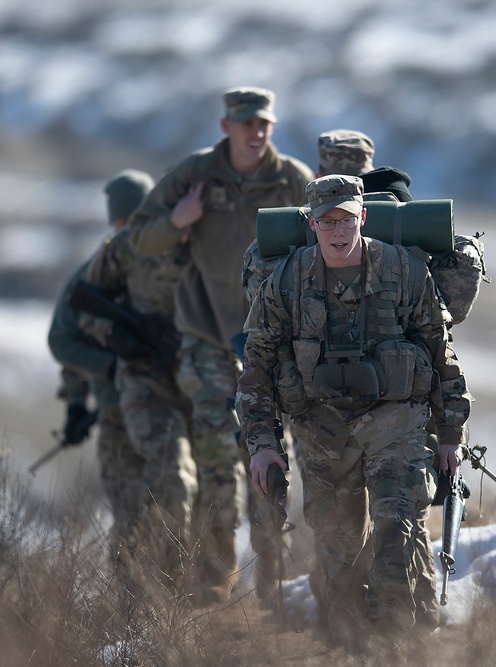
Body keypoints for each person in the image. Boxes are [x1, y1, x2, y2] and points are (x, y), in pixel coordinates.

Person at [238, 175, 471, 644]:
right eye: (327, 221)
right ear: (312, 223)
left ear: (363, 217)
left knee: (395, 529)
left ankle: (397, 642)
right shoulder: (285, 281)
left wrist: (450, 436)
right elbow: (257, 367)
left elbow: (440, 352)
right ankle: (348, 643)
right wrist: (263, 445)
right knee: (338, 550)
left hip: (395, 419)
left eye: (347, 219)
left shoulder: (404, 271)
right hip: (321, 428)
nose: (339, 231)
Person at [127, 86, 314, 602]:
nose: (257, 133)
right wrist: (177, 221)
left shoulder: (291, 180)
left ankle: (273, 580)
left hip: (271, 344)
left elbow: (331, 238)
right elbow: (140, 238)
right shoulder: (195, 175)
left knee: (270, 456)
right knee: (215, 461)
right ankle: (215, 579)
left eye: (264, 125)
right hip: (207, 339)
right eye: (247, 124)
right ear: (227, 126)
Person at [77, 169, 197, 590]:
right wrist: (119, 337)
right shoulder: (126, 248)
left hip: (201, 388)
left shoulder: (211, 247)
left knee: (213, 500)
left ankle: (199, 597)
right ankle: (160, 599)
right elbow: (84, 308)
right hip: (145, 384)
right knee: (168, 486)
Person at [47, 169, 155, 563]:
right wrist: (94, 384)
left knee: (174, 513)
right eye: (125, 225)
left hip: (171, 407)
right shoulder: (93, 274)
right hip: (118, 412)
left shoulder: (166, 269)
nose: (129, 234)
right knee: (131, 515)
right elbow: (65, 340)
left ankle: (175, 608)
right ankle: (131, 613)